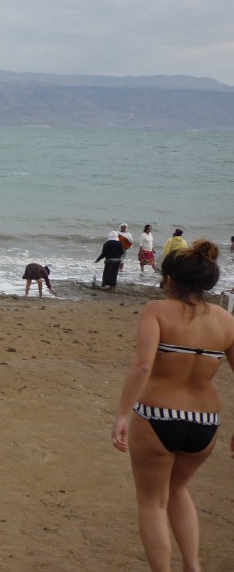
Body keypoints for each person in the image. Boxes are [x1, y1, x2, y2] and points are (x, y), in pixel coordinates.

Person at [112, 240, 234, 572]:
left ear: (169, 280)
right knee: (179, 488)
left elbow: (142, 367)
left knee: (152, 503)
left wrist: (122, 415)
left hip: (158, 416)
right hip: (206, 423)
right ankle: (193, 566)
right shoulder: (226, 320)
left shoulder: (156, 311)